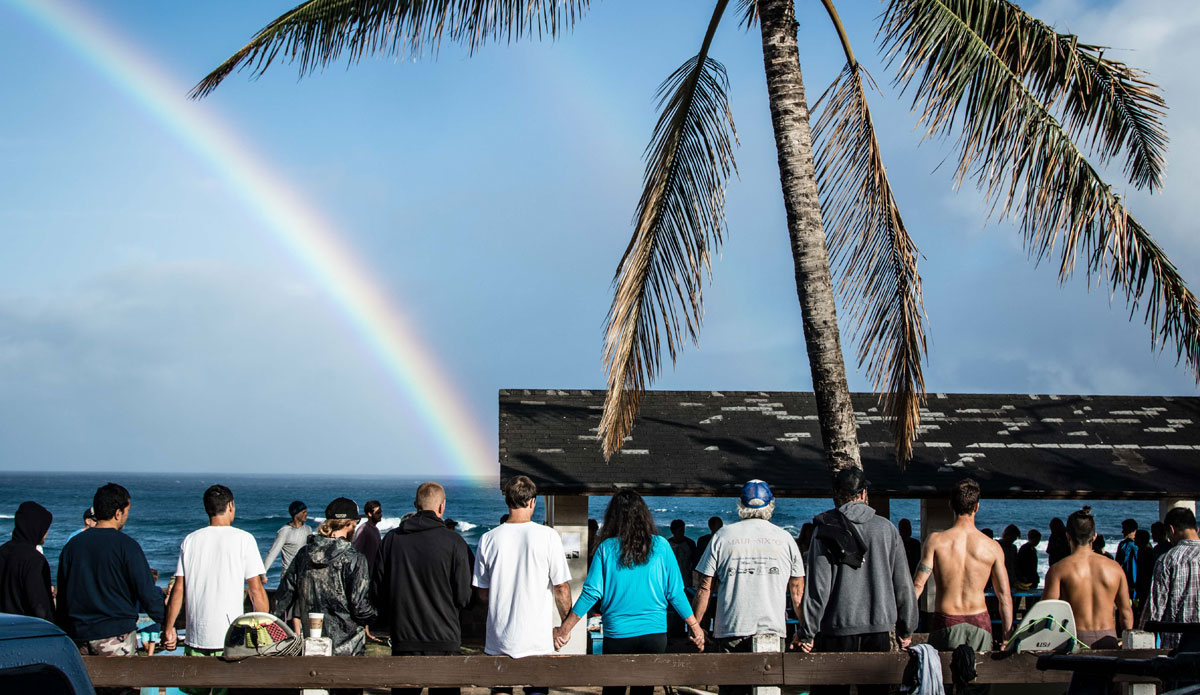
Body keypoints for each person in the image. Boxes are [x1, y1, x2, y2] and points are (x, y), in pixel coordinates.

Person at [555, 491, 704, 695]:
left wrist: (565, 629)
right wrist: (695, 626)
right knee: (643, 692)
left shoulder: (606, 548)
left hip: (618, 634)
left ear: (613, 517)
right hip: (655, 633)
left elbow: (591, 593)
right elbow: (675, 593)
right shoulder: (662, 546)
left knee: (613, 691)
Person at [797, 470, 913, 695]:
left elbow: (818, 588)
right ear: (863, 494)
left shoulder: (825, 528)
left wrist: (807, 632)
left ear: (839, 496)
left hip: (836, 629)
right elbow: (903, 585)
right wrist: (906, 627)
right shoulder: (887, 529)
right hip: (878, 629)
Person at [696, 479, 804, 695]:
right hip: (772, 628)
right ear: (770, 504)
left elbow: (704, 587)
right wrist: (804, 629)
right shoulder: (785, 539)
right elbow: (797, 591)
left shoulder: (722, 536)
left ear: (740, 505)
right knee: (769, 689)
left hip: (730, 628)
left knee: (731, 690)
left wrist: (696, 626)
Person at [56, 483, 165, 695]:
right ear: (118, 513)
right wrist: (165, 619)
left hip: (78, 636)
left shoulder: (72, 546)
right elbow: (146, 592)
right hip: (115, 636)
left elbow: (63, 595)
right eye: (127, 512)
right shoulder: (127, 546)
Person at [473, 475, 571, 695]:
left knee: (500, 691)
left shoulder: (488, 539)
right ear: (533, 502)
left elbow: (482, 594)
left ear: (507, 501)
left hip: (499, 638)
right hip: (537, 639)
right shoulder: (548, 536)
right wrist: (564, 627)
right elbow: (561, 588)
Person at [372, 482, 473, 695]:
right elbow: (464, 596)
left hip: (404, 638)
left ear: (416, 505)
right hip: (445, 638)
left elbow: (377, 589)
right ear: (442, 507)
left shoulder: (392, 539)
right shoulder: (455, 542)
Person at [162, 484, 269, 671]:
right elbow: (256, 591)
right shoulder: (244, 539)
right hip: (231, 639)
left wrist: (169, 627)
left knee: (196, 690)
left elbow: (179, 589)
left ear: (206, 509)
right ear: (230, 506)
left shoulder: (191, 540)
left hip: (196, 636)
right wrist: (263, 632)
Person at [914, 478, 1012, 654]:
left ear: (950, 504)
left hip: (946, 621)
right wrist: (1007, 636)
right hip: (979, 621)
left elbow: (918, 585)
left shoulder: (936, 541)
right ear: (976, 507)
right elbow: (1004, 596)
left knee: (943, 678)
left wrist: (906, 627)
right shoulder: (992, 547)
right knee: (978, 676)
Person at [276, 497, 376, 669]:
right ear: (350, 524)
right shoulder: (354, 558)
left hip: (312, 644)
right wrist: (379, 616)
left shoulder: (303, 554)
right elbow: (360, 608)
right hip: (349, 649)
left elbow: (283, 597)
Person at [1042, 507, 1133, 649]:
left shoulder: (1058, 570)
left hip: (1074, 639)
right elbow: (1126, 611)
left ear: (1068, 536)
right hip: (1108, 638)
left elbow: (1047, 613)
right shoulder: (1115, 568)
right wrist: (1128, 642)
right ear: (1094, 536)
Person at [1140, 507, 1200, 649]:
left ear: (1171, 530)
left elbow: (1155, 609)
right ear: (1196, 528)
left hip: (1177, 646)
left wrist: (1140, 631)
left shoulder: (1168, 560)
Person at [0, 501, 54, 620]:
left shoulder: (2, 551)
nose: (47, 533)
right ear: (37, 527)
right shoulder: (34, 559)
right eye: (45, 528)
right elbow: (39, 606)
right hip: (25, 628)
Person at [263, 500, 313, 578]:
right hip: (288, 575)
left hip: (304, 574)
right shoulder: (285, 531)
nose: (306, 514)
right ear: (296, 514)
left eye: (306, 512)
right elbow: (273, 553)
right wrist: (263, 573)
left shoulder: (308, 529)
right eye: (303, 512)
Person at [353, 500, 384, 576]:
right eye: (378, 513)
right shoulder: (364, 530)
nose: (381, 515)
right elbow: (356, 552)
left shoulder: (375, 529)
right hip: (365, 576)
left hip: (374, 574)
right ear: (370, 514)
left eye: (380, 512)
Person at [667, 519, 697, 589]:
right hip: (671, 579)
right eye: (680, 531)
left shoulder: (690, 544)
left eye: (683, 531)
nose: (682, 533)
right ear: (673, 531)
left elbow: (695, 562)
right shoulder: (668, 544)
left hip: (686, 580)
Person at [1115, 518, 1140, 601]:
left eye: (1124, 529)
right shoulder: (1123, 544)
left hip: (1136, 583)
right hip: (1127, 582)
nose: (1122, 532)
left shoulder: (1135, 545)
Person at [1134, 529, 1156, 615]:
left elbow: (1146, 570)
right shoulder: (1142, 550)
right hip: (1143, 585)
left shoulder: (1147, 551)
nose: (1134, 539)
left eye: (1136, 538)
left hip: (1146, 586)